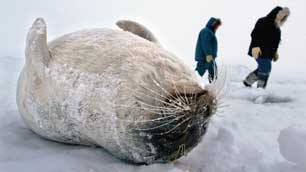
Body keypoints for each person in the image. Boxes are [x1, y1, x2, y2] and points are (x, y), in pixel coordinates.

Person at [244, 6, 290, 89]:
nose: (283, 19)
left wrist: (275, 52)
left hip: (269, 53)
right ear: (276, 14)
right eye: (282, 16)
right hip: (258, 51)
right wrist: (255, 47)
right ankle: (260, 89)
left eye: (284, 18)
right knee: (266, 68)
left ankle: (248, 81)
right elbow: (254, 34)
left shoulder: (277, 28)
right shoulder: (262, 21)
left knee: (263, 68)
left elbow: (275, 43)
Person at [195, 17, 222, 83]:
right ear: (212, 24)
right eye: (216, 25)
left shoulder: (210, 32)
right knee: (199, 72)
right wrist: (208, 54)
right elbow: (205, 43)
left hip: (209, 57)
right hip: (205, 57)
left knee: (213, 72)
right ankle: (190, 82)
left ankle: (213, 86)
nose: (217, 27)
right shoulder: (206, 31)